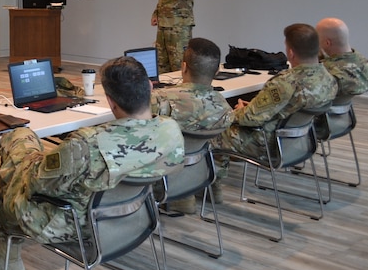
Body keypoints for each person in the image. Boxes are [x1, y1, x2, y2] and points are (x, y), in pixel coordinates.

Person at [0, 56, 184, 270]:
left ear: (111, 101)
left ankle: (9, 260)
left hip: (80, 227)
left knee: (17, 167)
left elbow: (35, 182)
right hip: (137, 217)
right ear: (149, 87)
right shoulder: (169, 130)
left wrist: (23, 144)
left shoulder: (85, 144)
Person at [214, 23, 337, 189]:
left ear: (291, 53)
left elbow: (249, 119)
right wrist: (253, 106)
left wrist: (237, 112)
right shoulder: (328, 78)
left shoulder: (285, 82)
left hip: (270, 144)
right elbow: (288, 108)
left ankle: (212, 187)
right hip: (301, 142)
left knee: (213, 129)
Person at [150, 37, 233, 214]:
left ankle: (180, 198)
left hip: (165, 180)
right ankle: (212, 189)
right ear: (217, 71)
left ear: (184, 67)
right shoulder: (223, 106)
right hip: (202, 173)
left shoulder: (161, 100)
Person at [151, 0, 206, 73]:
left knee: (178, 61)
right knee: (161, 62)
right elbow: (162, 1)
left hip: (179, 28)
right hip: (163, 27)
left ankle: (179, 90)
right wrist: (155, 14)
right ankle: (163, 89)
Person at [316, 17, 368, 103]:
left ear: (327, 43)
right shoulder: (363, 63)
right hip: (343, 112)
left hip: (322, 111)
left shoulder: (328, 73)